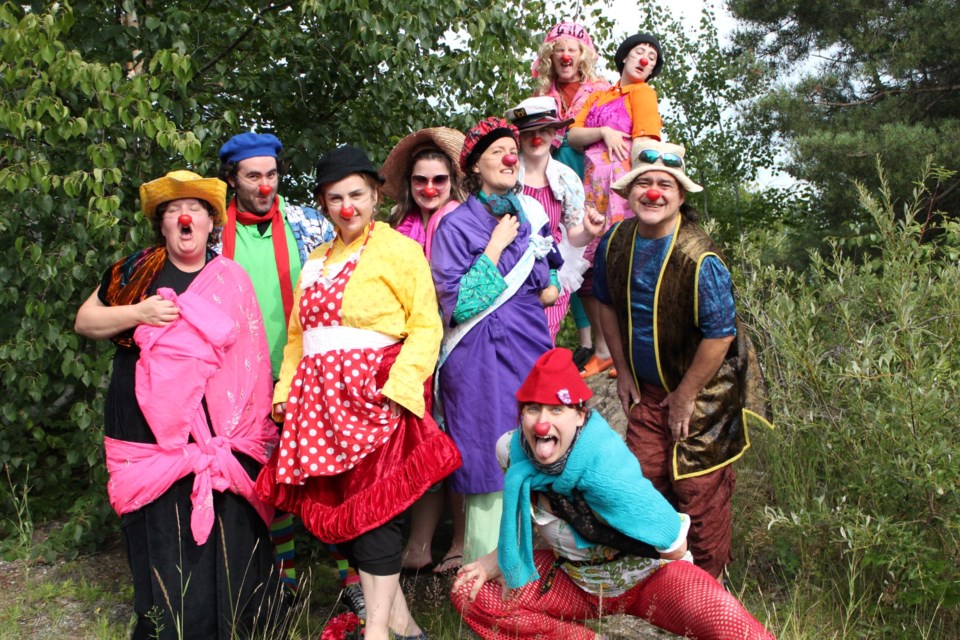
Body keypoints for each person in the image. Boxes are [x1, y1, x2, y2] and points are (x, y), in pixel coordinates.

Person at [255, 146, 462, 640]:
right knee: (346, 517)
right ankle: (403, 624)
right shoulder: (316, 260)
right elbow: (300, 338)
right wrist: (286, 391)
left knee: (377, 514)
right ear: (324, 205)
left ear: (374, 195)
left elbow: (426, 325)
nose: (347, 206)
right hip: (321, 406)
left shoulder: (399, 250)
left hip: (377, 397)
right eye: (335, 198)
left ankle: (377, 632)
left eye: (356, 195)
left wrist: (400, 386)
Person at [75, 171, 284, 639]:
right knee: (161, 518)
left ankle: (232, 621)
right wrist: (140, 313)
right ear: (163, 224)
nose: (184, 218)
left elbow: (250, 359)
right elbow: (86, 321)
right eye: (172, 211)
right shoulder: (137, 271)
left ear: (212, 223)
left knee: (226, 521)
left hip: (220, 427)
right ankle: (168, 621)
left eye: (195, 210)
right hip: (145, 423)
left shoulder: (231, 277)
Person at [451, 348, 776, 640]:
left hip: (648, 581)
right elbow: (528, 513)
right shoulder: (512, 454)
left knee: (735, 628)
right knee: (469, 590)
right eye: (533, 409)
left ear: (580, 415)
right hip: (575, 582)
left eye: (556, 410)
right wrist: (500, 559)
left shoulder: (606, 469)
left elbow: (676, 544)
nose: (542, 422)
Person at [593, 141, 774, 580]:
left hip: (707, 393)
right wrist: (620, 370)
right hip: (649, 391)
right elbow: (604, 303)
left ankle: (709, 593)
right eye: (644, 184)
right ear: (630, 192)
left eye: (664, 185)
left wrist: (686, 395)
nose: (653, 193)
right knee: (641, 482)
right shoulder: (615, 241)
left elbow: (720, 335)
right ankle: (658, 583)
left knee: (698, 489)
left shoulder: (700, 257)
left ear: (680, 196)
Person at [430, 117, 559, 565]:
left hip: (529, 349)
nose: (509, 158)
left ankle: (538, 575)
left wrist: (552, 284)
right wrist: (494, 248)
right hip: (479, 358)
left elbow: (550, 272)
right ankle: (488, 592)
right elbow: (457, 304)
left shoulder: (531, 214)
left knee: (539, 450)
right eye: (496, 152)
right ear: (475, 168)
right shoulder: (454, 226)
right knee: (489, 460)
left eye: (512, 150)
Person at [217, 132, 339, 599]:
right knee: (272, 481)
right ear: (233, 179)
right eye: (253, 176)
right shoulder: (212, 236)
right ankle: (283, 582)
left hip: (309, 372)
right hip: (241, 380)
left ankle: (353, 578)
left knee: (327, 476)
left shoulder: (308, 224)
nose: (265, 185)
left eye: (271, 174)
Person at [381, 127, 469, 576]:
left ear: (453, 180)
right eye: (421, 181)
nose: (429, 189)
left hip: (455, 343)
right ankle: (418, 543)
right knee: (423, 440)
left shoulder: (462, 220)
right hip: (411, 346)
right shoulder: (400, 224)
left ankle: (458, 540)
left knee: (453, 439)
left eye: (438, 180)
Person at [567, 33, 665, 379]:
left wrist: (643, 196)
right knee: (586, 265)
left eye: (652, 58)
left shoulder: (644, 93)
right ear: (624, 57)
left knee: (626, 265)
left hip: (623, 190)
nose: (645, 60)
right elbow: (572, 136)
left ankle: (631, 351)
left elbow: (645, 144)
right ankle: (603, 349)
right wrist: (604, 131)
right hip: (592, 190)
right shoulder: (599, 94)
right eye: (640, 52)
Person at [531, 21, 611, 367]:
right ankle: (586, 341)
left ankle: (608, 345)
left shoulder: (601, 91)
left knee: (599, 260)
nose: (566, 55)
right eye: (559, 49)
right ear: (551, 56)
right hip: (553, 182)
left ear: (582, 55)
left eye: (572, 49)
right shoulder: (539, 98)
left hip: (592, 179)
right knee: (566, 254)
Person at [506, 96, 605, 342]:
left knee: (542, 340)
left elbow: (573, 235)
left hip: (550, 273)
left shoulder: (566, 178)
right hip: (511, 271)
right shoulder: (506, 175)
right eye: (529, 132)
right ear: (519, 136)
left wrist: (589, 231)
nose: (536, 138)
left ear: (553, 133)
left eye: (543, 130)